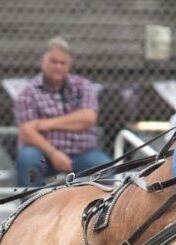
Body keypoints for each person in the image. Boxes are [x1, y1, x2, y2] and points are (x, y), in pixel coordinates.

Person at [13, 37, 111, 187]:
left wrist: (45, 124)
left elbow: (88, 118)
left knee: (108, 169)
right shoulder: (29, 91)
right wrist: (53, 153)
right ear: (43, 63)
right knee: (27, 158)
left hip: (82, 153)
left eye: (62, 63)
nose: (58, 66)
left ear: (68, 65)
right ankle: (29, 207)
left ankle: (104, 209)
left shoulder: (82, 85)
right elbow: (26, 132)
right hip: (44, 155)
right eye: (53, 62)